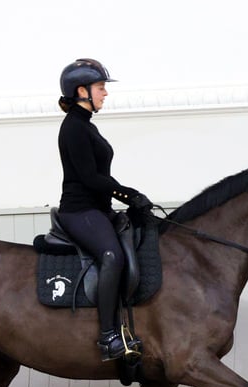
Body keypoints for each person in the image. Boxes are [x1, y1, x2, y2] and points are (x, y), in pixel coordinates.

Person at [55, 58, 154, 361]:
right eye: (100, 88)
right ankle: (108, 336)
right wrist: (127, 193)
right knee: (111, 255)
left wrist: (128, 198)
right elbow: (89, 178)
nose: (105, 94)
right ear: (82, 90)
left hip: (97, 209)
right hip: (79, 211)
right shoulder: (73, 127)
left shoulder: (87, 127)